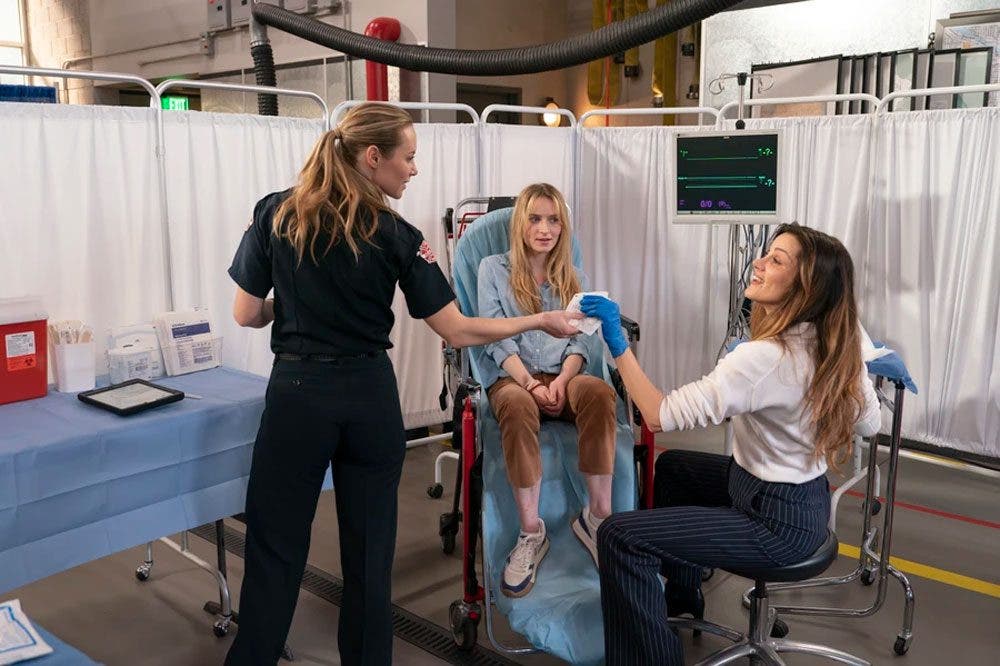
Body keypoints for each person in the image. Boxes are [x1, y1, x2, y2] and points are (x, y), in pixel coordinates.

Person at [224, 103, 581, 666]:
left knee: (275, 550)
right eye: (408, 157)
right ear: (373, 158)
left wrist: (286, 307)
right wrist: (537, 319)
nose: (413, 169)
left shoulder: (276, 214)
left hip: (297, 394)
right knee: (368, 559)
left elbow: (245, 314)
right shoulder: (397, 235)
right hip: (368, 398)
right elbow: (457, 329)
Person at [580, 223, 882, 666]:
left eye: (776, 260)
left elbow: (658, 414)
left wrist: (616, 342)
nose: (757, 263)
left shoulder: (764, 360)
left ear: (805, 290)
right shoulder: (838, 343)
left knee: (620, 538)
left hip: (775, 525)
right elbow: (871, 424)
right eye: (767, 253)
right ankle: (682, 602)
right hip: (804, 504)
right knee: (674, 470)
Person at [477, 183, 618, 598]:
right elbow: (495, 339)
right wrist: (528, 383)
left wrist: (559, 382)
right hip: (513, 377)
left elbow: (581, 341)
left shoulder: (576, 278)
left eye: (553, 219)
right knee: (518, 406)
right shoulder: (492, 270)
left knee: (600, 394)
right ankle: (530, 533)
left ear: (563, 226)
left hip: (564, 375)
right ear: (520, 222)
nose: (545, 228)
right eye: (535, 219)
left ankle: (597, 518)